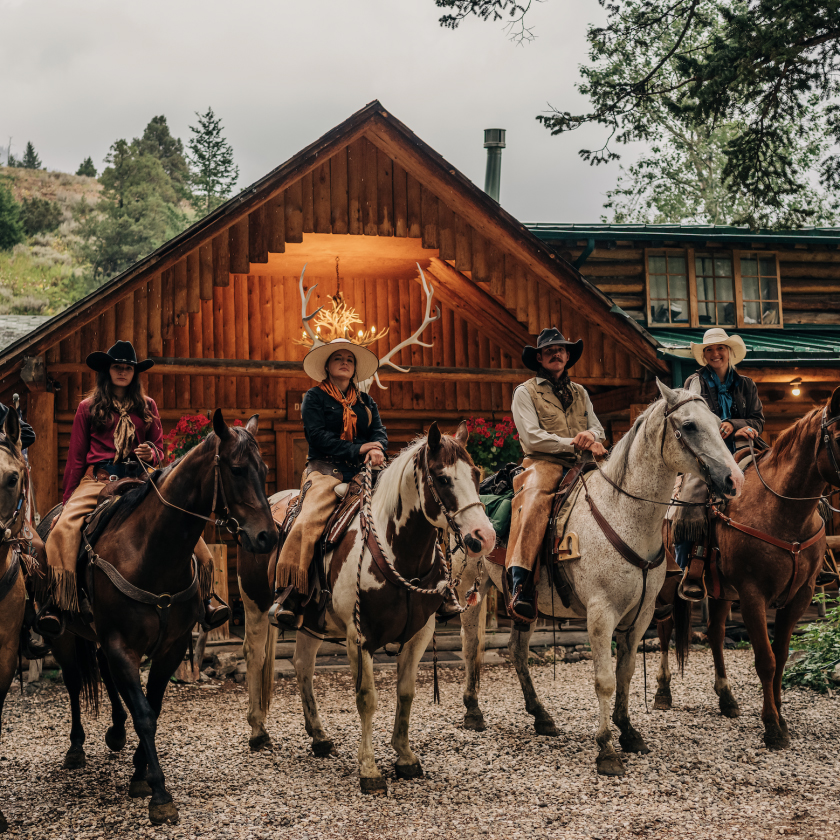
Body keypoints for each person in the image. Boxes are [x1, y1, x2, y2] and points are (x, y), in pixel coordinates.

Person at [41, 340, 228, 636]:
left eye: (128, 368)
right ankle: (59, 602)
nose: (122, 372)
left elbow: (160, 449)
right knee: (63, 530)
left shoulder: (148, 406)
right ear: (107, 371)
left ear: (134, 373)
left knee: (189, 530)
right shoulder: (87, 408)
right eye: (117, 367)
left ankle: (205, 598)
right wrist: (67, 500)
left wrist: (150, 453)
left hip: (141, 479)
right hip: (100, 481)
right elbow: (76, 458)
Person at [268, 338, 388, 629]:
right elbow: (317, 437)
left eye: (349, 358)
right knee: (307, 521)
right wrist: (360, 448)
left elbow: (379, 431)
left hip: (363, 473)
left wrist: (377, 448)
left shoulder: (366, 401)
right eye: (338, 358)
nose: (345, 362)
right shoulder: (315, 397)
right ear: (327, 367)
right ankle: (290, 594)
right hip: (325, 472)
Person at [506, 327, 608, 621]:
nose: (556, 354)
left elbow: (598, 426)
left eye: (561, 350)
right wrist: (572, 441)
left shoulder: (581, 392)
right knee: (535, 499)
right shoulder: (525, 392)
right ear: (539, 357)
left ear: (567, 356)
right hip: (543, 462)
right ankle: (521, 583)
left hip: (584, 462)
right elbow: (533, 437)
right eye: (549, 350)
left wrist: (591, 435)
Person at [673, 327, 765, 600]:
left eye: (720, 348)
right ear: (704, 355)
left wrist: (737, 426)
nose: (715, 353)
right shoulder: (694, 382)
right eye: (710, 350)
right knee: (692, 498)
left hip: (742, 447)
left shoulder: (746, 384)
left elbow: (758, 420)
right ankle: (687, 565)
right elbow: (691, 417)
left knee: (777, 479)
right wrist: (721, 428)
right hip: (706, 452)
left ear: (729, 352)